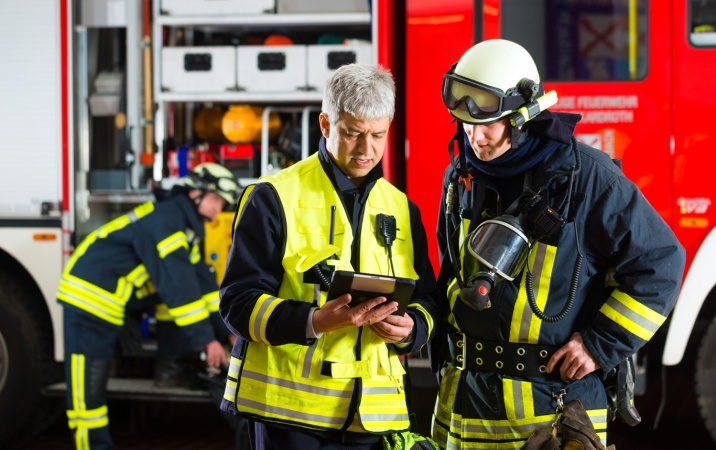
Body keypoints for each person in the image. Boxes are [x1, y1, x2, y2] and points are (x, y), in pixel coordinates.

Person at [430, 39, 686, 449]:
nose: (475, 137)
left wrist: (600, 344)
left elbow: (661, 263)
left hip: (552, 413)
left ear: (522, 116)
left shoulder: (586, 177)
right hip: (462, 413)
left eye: (489, 123)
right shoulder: (460, 176)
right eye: (465, 123)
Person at [218, 63, 441, 450]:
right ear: (325, 124)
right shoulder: (273, 197)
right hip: (288, 417)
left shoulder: (403, 209)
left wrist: (412, 331)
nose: (366, 149)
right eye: (353, 133)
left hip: (372, 420)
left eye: (378, 135)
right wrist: (315, 321)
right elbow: (237, 304)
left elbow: (428, 300)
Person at [57, 162, 239, 450]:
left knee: (93, 391)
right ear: (195, 194)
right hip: (88, 303)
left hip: (109, 304)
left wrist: (229, 331)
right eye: (216, 200)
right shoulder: (168, 223)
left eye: (223, 203)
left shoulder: (183, 226)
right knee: (87, 397)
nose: (219, 209)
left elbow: (201, 286)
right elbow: (180, 290)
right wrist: (207, 341)